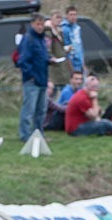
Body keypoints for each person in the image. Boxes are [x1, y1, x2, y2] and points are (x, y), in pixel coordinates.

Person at [18, 13, 51, 141]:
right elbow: (23, 61)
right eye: (38, 24)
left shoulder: (42, 39)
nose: (40, 27)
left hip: (43, 78)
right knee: (29, 110)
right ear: (32, 24)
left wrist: (49, 60)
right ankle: (25, 135)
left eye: (42, 24)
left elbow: (41, 57)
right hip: (32, 80)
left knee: (41, 111)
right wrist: (30, 75)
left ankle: (38, 134)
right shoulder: (28, 39)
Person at [45, 9, 72, 94]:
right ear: (51, 19)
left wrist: (66, 49)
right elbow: (47, 47)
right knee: (54, 91)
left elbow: (60, 46)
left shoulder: (60, 31)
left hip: (63, 66)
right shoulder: (48, 32)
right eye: (57, 17)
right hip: (55, 67)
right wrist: (51, 57)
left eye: (60, 17)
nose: (59, 19)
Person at [60, 6, 84, 74]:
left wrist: (82, 63)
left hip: (78, 61)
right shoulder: (64, 29)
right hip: (70, 61)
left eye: (75, 15)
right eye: (71, 15)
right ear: (66, 16)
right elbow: (64, 47)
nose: (73, 17)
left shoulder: (77, 28)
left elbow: (80, 46)